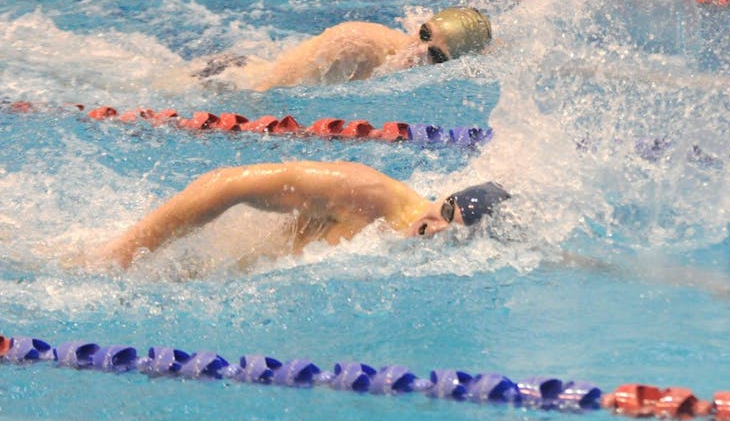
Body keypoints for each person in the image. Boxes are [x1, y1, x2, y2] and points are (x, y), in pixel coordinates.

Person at [99, 160, 511, 269]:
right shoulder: (360, 192)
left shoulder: (405, 247)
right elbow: (226, 183)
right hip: (177, 266)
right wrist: (129, 249)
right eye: (444, 209)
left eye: (449, 233)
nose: (432, 227)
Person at [183, 7, 492, 91]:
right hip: (222, 78)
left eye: (435, 56)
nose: (418, 51)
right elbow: (264, 89)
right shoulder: (355, 45)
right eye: (424, 34)